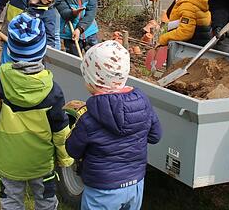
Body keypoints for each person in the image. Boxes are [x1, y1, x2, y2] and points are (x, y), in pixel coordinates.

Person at [0, 12, 73, 210]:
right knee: (45, 201)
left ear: (10, 50)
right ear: (43, 50)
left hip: (9, 160)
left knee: (11, 202)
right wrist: (65, 157)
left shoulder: (0, 82)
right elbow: (60, 128)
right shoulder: (52, 90)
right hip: (41, 161)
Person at [66, 41, 162, 210]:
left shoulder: (89, 118)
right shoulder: (143, 105)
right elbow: (155, 136)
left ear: (94, 82)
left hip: (101, 189)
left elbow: (72, 150)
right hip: (135, 184)